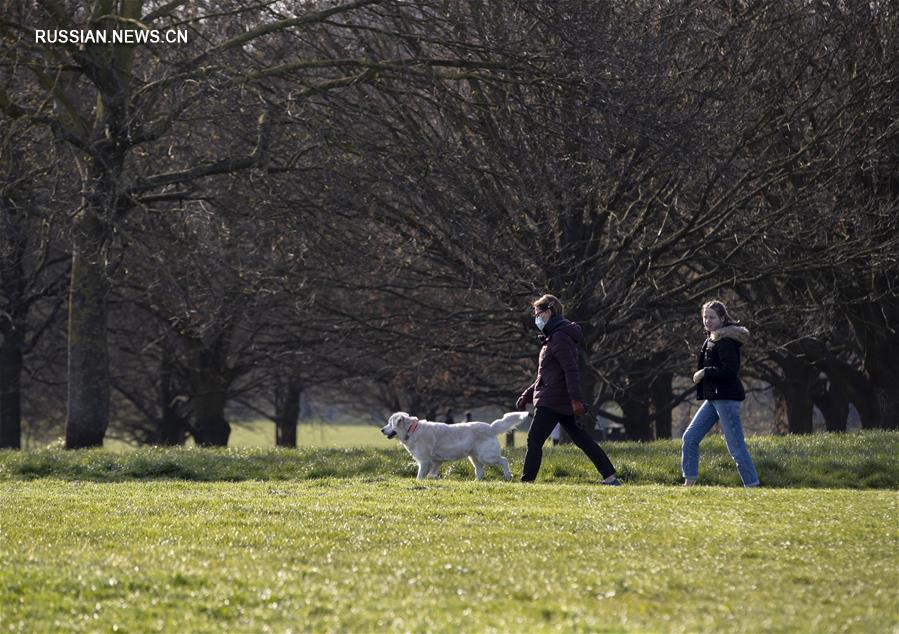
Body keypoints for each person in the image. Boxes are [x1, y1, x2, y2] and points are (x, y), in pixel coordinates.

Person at [516, 294, 621, 485]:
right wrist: (527, 394)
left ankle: (527, 482)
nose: (536, 317)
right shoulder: (553, 337)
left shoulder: (560, 338)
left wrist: (576, 400)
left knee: (534, 440)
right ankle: (610, 477)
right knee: (582, 440)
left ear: (548, 311)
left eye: (537, 312)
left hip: (552, 400)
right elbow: (546, 375)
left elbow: (571, 371)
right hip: (558, 399)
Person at [681, 300, 760, 487]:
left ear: (722, 318)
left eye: (712, 317)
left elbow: (730, 371)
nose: (707, 321)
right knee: (690, 438)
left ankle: (753, 485)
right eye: (705, 317)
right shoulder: (711, 338)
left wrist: (704, 372)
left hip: (726, 399)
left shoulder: (725, 341)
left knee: (736, 448)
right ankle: (688, 484)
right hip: (713, 399)